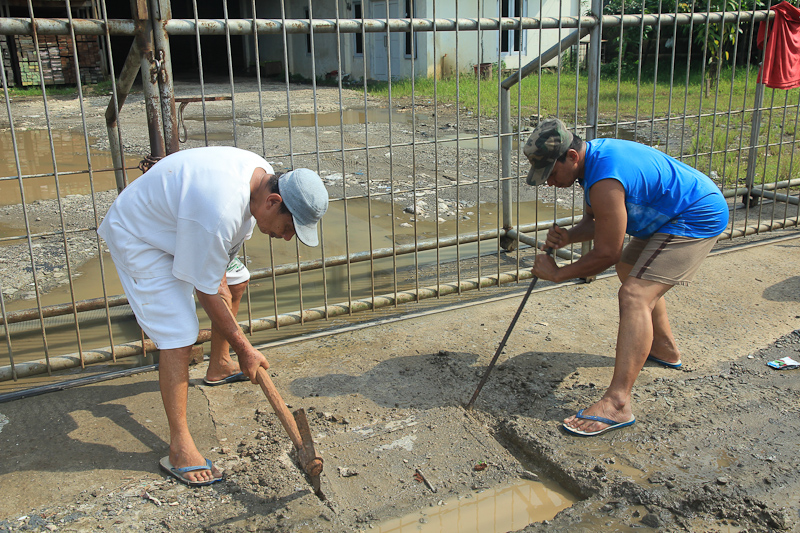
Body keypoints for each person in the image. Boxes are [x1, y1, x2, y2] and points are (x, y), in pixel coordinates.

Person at [98, 146, 328, 483]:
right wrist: (246, 349)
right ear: (273, 202)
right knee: (179, 334)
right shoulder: (220, 212)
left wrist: (218, 276)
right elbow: (205, 290)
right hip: (141, 235)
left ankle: (219, 365)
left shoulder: (261, 176)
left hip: (184, 224)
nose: (286, 237)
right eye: (289, 227)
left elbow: (218, 254)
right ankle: (179, 447)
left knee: (236, 282)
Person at [523, 118, 728, 437]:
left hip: (695, 214)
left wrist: (558, 274)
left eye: (550, 172)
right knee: (630, 269)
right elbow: (600, 221)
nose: (549, 181)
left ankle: (617, 403)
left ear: (572, 157)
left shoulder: (605, 177)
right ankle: (663, 349)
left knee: (634, 294)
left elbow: (607, 253)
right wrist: (569, 237)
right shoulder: (593, 165)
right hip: (670, 214)